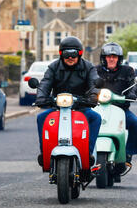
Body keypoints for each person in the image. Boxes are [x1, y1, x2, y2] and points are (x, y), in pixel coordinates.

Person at [35, 36, 101, 166]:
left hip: (81, 106)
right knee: (41, 117)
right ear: (61, 54)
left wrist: (93, 96)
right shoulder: (53, 67)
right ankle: (45, 153)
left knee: (95, 118)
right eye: (66, 54)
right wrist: (41, 97)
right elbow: (45, 83)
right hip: (57, 107)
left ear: (80, 54)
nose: (70, 58)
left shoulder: (89, 67)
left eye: (74, 54)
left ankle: (88, 153)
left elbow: (95, 83)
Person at [96, 42, 137, 166]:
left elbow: (135, 85)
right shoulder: (96, 71)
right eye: (109, 56)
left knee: (135, 124)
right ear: (104, 58)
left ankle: (128, 153)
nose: (111, 59)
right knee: (83, 124)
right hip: (98, 109)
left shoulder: (127, 71)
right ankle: (86, 153)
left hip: (120, 109)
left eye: (114, 57)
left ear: (119, 59)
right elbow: (89, 85)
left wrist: (132, 94)